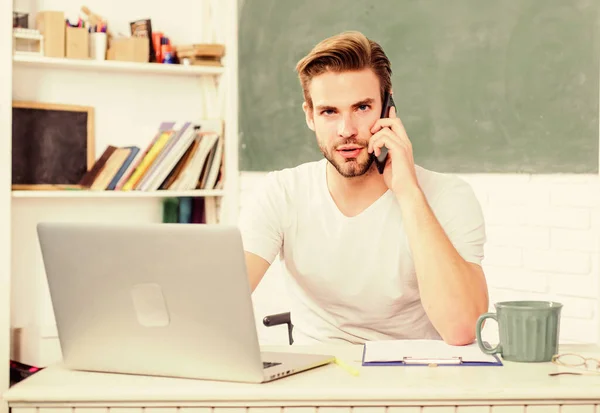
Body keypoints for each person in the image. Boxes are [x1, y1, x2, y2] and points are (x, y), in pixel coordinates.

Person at [238, 30, 489, 346]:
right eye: (329, 112)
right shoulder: (282, 193)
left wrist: (409, 193)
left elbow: (464, 328)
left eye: (361, 108)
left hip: (413, 380)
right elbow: (221, 300)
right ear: (310, 116)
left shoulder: (447, 196)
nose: (346, 131)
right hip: (316, 380)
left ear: (388, 107)